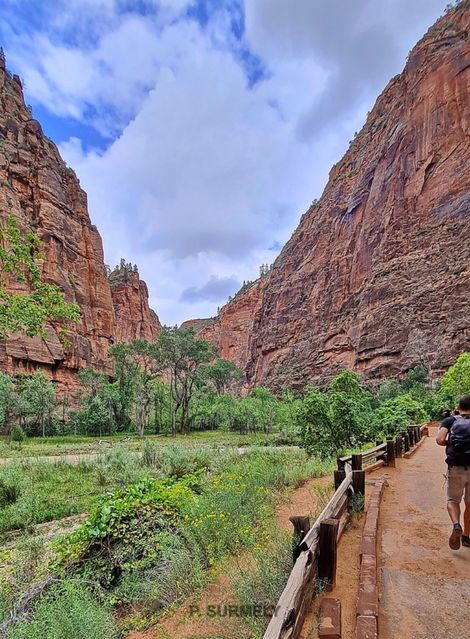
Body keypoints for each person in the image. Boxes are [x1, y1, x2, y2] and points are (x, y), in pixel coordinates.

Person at [436, 396, 470, 550]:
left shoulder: (450, 421)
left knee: (452, 499)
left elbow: (439, 439)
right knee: (469, 504)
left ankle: (456, 525)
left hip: (455, 466)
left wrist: (449, 443)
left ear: (458, 407)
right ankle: (466, 537)